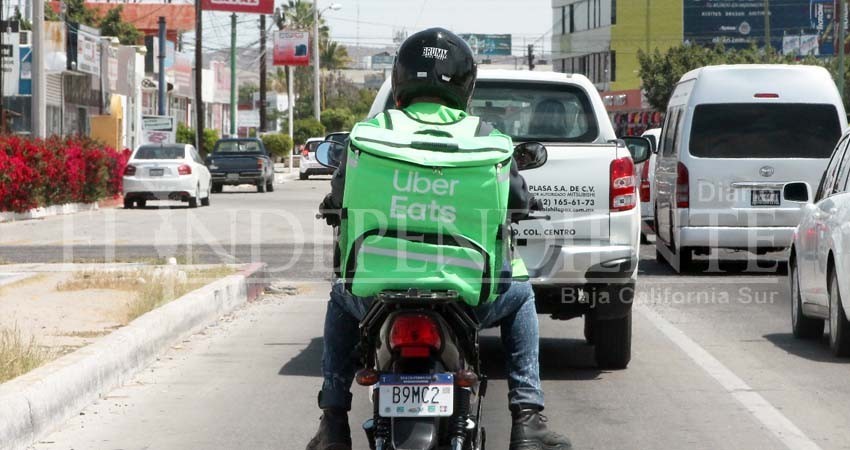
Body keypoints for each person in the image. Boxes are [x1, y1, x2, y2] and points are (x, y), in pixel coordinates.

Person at [307, 27, 572, 450]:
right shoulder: (488, 139)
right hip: (467, 295)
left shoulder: (368, 134)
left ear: (400, 80)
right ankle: (528, 417)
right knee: (520, 293)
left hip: (377, 294)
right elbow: (517, 200)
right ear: (465, 87)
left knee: (341, 295)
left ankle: (333, 422)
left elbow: (339, 196)